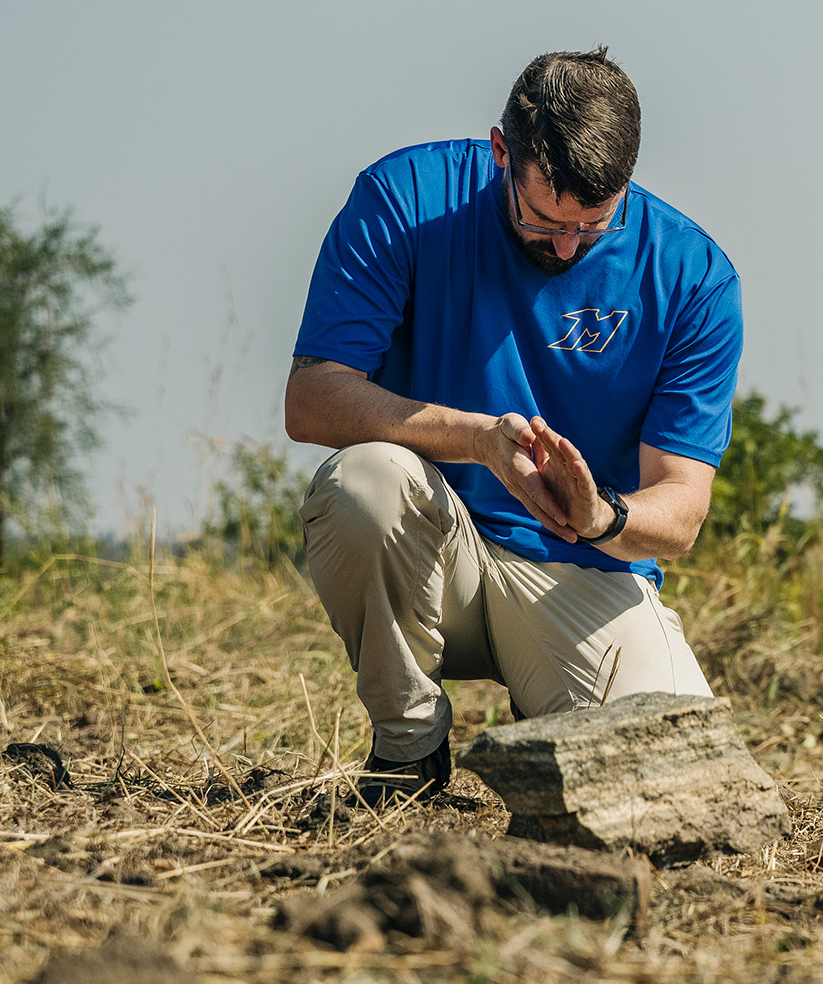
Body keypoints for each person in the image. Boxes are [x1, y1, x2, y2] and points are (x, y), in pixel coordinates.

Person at [285, 47, 743, 807]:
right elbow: (313, 399)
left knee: (674, 788)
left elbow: (683, 508)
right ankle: (408, 749)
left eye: (593, 225)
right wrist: (477, 442)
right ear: (503, 152)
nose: (565, 247)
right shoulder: (406, 197)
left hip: (582, 569)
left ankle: (551, 711)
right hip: (434, 555)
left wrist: (602, 516)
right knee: (363, 483)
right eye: (543, 219)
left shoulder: (694, 274)